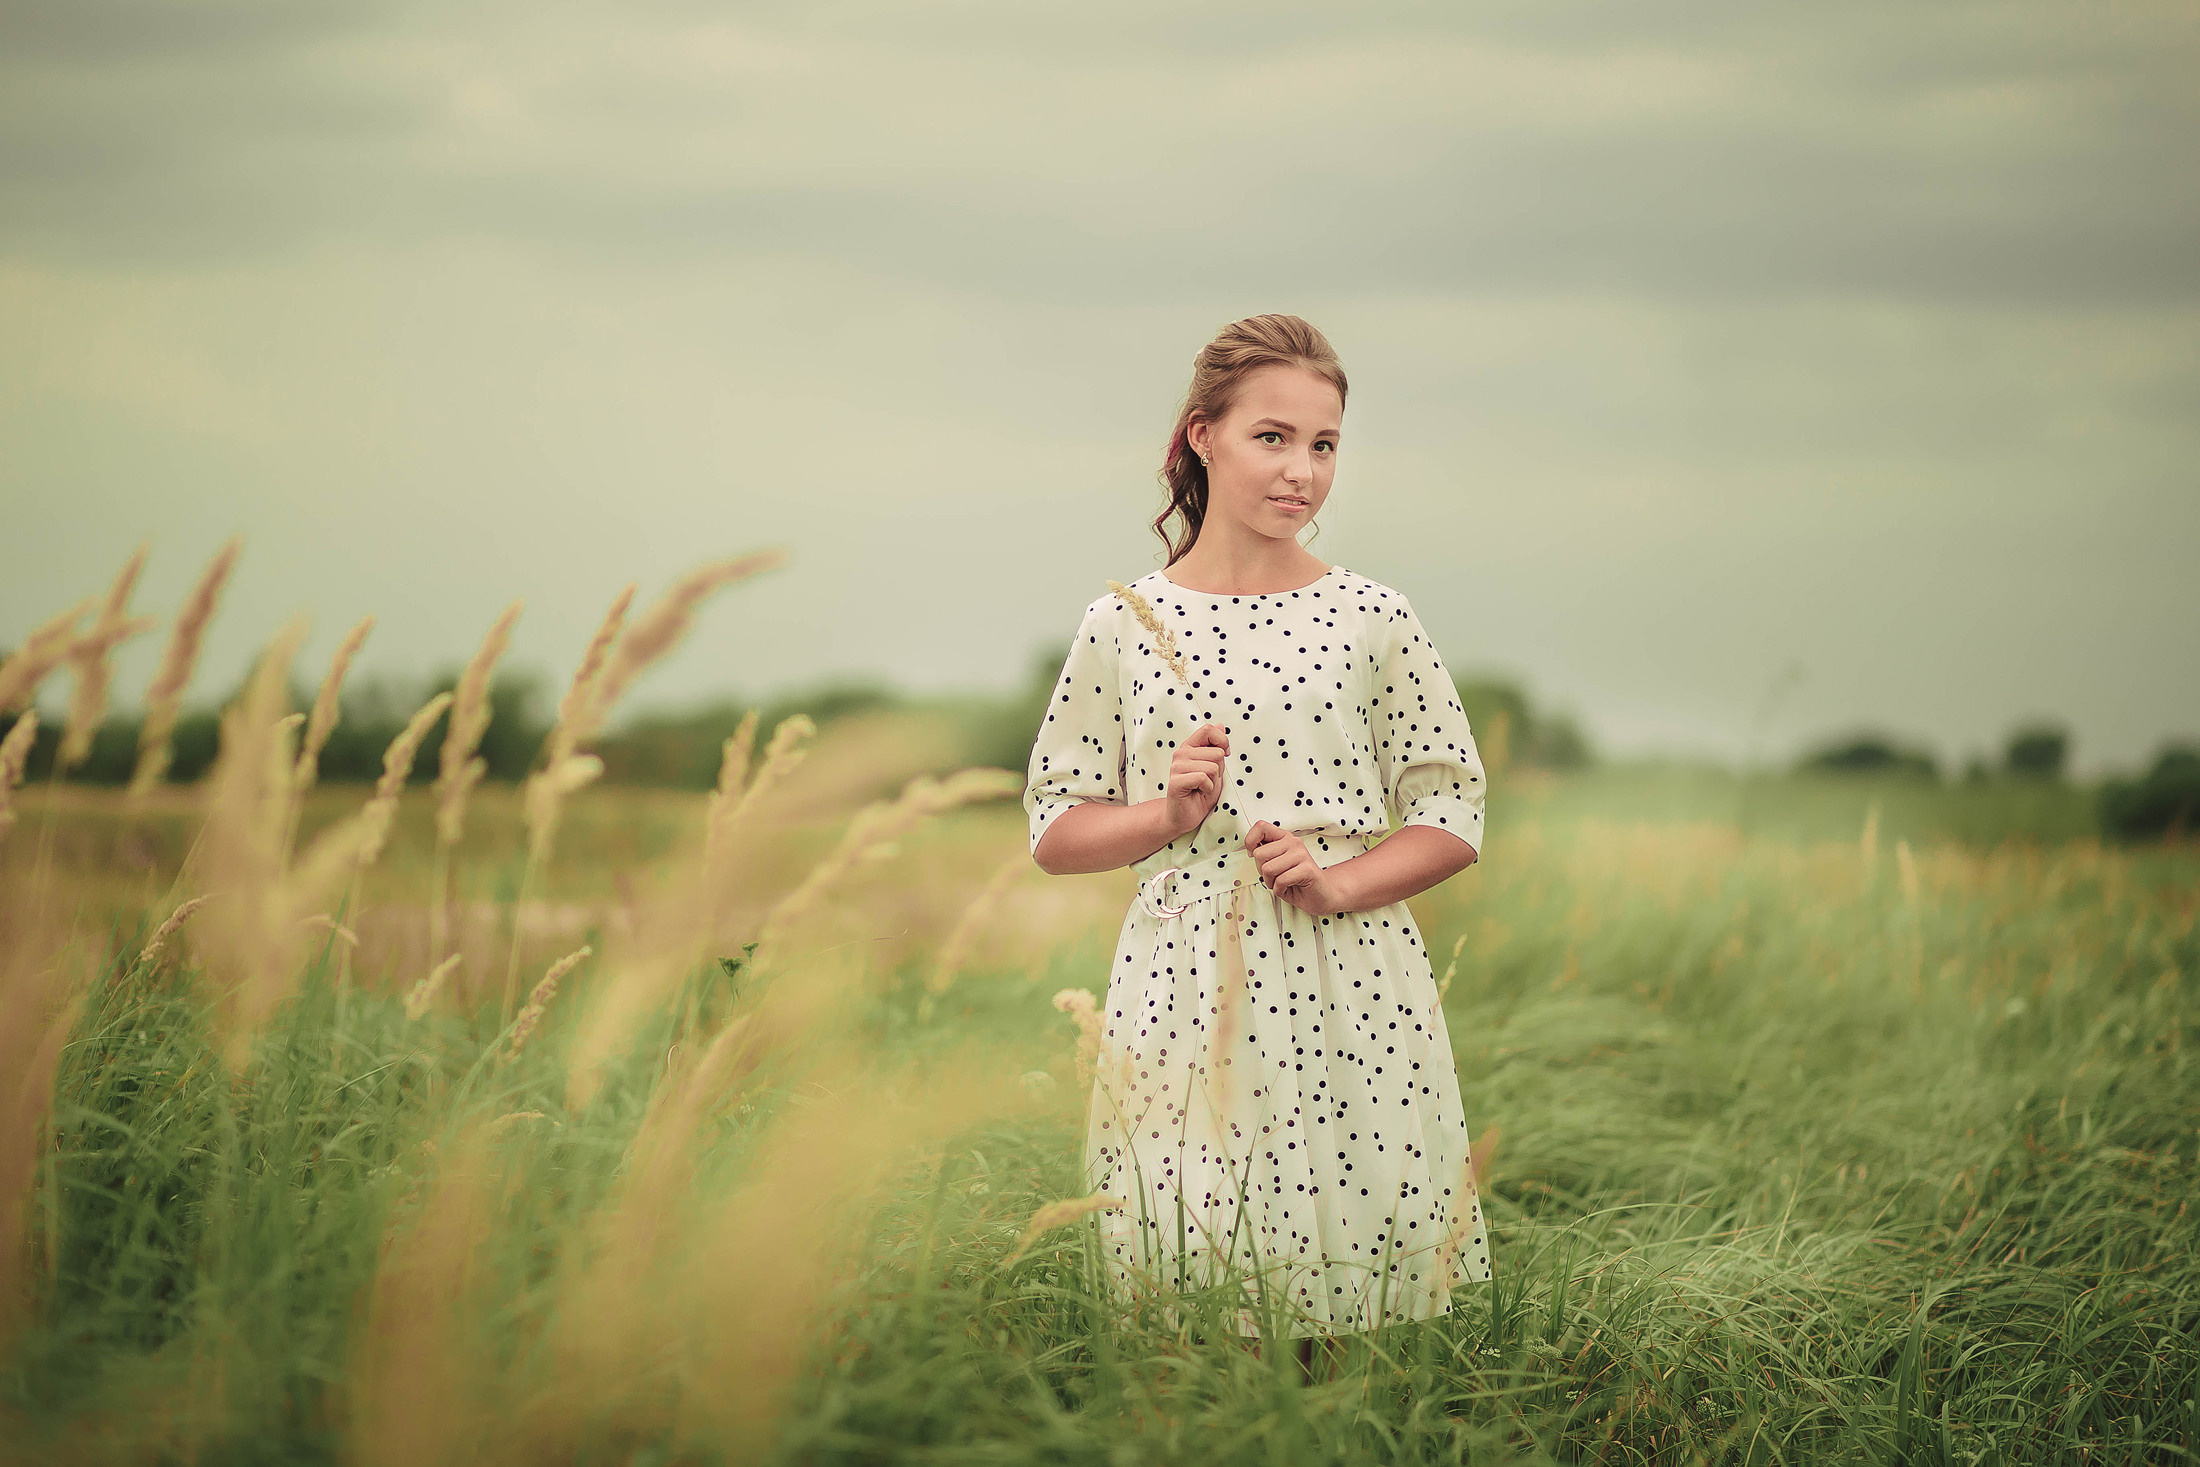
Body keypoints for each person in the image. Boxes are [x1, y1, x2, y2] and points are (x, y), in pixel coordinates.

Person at [1024, 313, 1493, 1382]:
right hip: (1182, 977)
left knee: (1344, 1292)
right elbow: (1054, 826)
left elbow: (1452, 810)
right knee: (1192, 1280)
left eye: (1323, 445)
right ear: (1203, 436)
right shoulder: (1121, 621)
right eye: (1272, 438)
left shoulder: (1373, 616)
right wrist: (1163, 818)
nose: (1302, 471)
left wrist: (1338, 883)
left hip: (1348, 976)